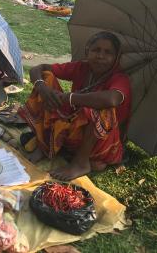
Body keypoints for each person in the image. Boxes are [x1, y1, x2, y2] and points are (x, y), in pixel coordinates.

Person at [17, 32, 131, 181]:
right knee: (47, 77)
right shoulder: (82, 67)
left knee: (104, 106)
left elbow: (112, 99)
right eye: (96, 50)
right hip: (75, 130)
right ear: (87, 51)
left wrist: (71, 98)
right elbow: (38, 69)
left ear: (116, 58)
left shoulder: (120, 78)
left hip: (101, 143)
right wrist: (42, 88)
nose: (100, 56)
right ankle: (45, 145)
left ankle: (81, 163)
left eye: (108, 53)